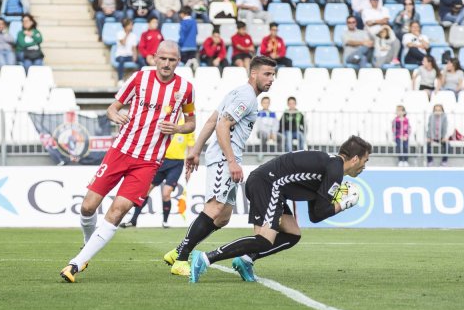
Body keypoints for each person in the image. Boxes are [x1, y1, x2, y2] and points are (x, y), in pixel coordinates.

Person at [60, 42, 196, 282]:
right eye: (163, 58)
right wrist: (115, 115)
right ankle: (87, 246)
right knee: (88, 207)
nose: (166, 64)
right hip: (120, 152)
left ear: (178, 61)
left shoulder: (186, 89)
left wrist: (177, 128)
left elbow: (192, 123)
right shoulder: (139, 79)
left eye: (172, 60)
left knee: (118, 210)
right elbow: (112, 109)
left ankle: (76, 263)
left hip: (148, 162)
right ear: (154, 58)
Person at [185, 136, 370, 283]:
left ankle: (246, 259)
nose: (364, 166)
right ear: (355, 159)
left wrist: (335, 203)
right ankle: (206, 258)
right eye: (365, 160)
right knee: (264, 240)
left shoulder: (330, 165)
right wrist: (343, 204)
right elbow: (321, 213)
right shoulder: (335, 170)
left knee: (292, 234)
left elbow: (314, 214)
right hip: (268, 184)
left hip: (270, 185)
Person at [162, 56, 278, 277]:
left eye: (273, 74)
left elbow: (211, 121)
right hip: (225, 159)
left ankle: (177, 251)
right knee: (214, 208)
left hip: (228, 158)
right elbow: (222, 125)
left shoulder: (236, 92)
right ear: (253, 73)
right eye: (267, 74)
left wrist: (195, 151)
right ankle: (182, 259)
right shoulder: (246, 97)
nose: (271, 79)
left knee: (223, 216)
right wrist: (232, 161)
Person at [122, 117, 196, 230]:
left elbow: (191, 146)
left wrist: (189, 164)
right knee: (145, 191)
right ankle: (133, 220)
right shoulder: (166, 120)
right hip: (160, 161)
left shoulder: (187, 125)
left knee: (166, 193)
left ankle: (165, 222)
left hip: (176, 164)